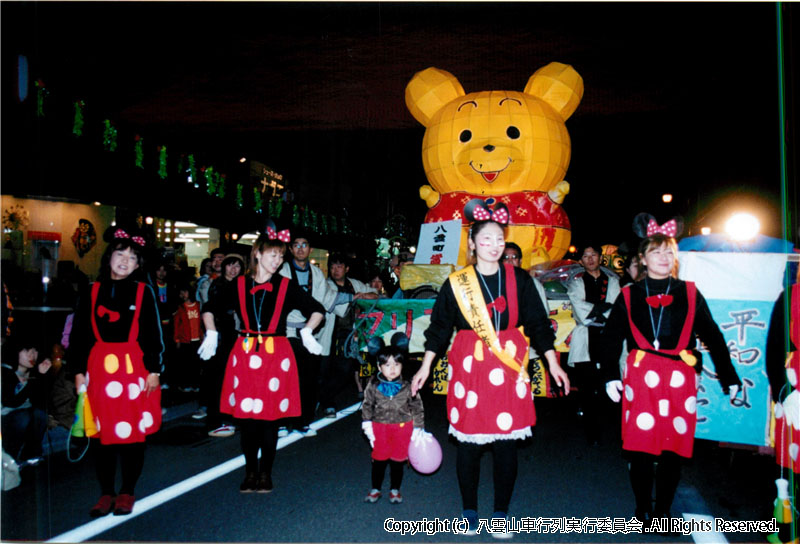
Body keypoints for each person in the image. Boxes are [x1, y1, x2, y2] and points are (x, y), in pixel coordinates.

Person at [411, 199, 569, 536]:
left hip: (509, 368)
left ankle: (501, 513)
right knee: (468, 443)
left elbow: (539, 324)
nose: (495, 246)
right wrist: (425, 366)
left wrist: (554, 364)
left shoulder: (521, 280)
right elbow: (439, 329)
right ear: (472, 243)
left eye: (500, 239)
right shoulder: (456, 283)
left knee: (505, 444)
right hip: (470, 368)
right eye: (487, 239)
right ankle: (469, 510)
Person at [600, 222, 741, 525]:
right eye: (656, 252)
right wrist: (610, 374)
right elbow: (611, 338)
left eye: (669, 252)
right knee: (639, 448)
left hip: (679, 376)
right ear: (643, 259)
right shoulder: (629, 295)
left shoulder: (689, 292)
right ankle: (641, 510)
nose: (663, 257)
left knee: (672, 449)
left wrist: (729, 376)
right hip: (642, 375)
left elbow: (713, 336)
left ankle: (663, 511)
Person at [197, 228, 325, 493]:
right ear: (257, 253)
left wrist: (306, 332)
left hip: (276, 356)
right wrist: (210, 333)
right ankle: (249, 471)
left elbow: (317, 309)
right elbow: (209, 307)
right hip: (244, 354)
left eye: (281, 256)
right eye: (273, 254)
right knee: (247, 419)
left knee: (269, 419)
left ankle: (265, 473)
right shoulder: (239, 284)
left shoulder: (286, 286)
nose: (277, 260)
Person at [68, 226, 164, 517]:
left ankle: (127, 491)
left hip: (134, 369)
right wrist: (78, 372)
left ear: (138, 265)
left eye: (132, 258)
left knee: (133, 433)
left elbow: (153, 333)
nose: (125, 260)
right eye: (120, 254)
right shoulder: (91, 291)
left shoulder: (143, 291)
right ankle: (106, 492)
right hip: (99, 370)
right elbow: (79, 336)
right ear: (109, 257)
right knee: (101, 433)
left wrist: (154, 369)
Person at [278, 230, 340, 437]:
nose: (300, 248)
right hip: (286, 328)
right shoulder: (282, 271)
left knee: (307, 378)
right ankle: (281, 421)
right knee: (285, 376)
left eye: (304, 245)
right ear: (290, 249)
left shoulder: (317, 273)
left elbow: (324, 300)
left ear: (310, 249)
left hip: (309, 329)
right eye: (296, 245)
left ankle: (302, 421)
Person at [565, 243, 620, 443]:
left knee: (608, 384)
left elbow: (616, 309)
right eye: (585, 255)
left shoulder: (613, 282)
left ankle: (609, 430)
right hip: (585, 340)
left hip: (608, 338)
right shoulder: (576, 283)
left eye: (593, 254)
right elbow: (579, 309)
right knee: (587, 388)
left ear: (600, 257)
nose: (590, 259)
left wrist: (595, 311)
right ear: (580, 261)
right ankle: (592, 432)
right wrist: (602, 308)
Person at [362, 341, 424, 504]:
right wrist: (367, 424)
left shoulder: (407, 385)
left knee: (398, 460)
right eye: (387, 364)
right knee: (379, 460)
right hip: (379, 427)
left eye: (397, 364)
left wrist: (418, 428)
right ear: (379, 366)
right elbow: (367, 404)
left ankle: (395, 489)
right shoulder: (373, 384)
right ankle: (376, 488)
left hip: (402, 428)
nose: (393, 368)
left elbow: (417, 407)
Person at [318, 253, 378, 417]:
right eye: (332, 267)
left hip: (349, 335)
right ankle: (324, 400)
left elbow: (375, 294)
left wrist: (363, 295)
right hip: (328, 333)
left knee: (346, 368)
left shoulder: (354, 284)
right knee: (324, 369)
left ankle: (326, 399)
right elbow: (333, 302)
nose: (335, 270)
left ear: (346, 269)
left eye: (339, 266)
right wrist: (353, 298)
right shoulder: (326, 285)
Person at [197, 254, 244, 435]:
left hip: (234, 337)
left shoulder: (241, 285)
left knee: (232, 378)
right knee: (218, 379)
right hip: (219, 337)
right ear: (223, 267)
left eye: (237, 266)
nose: (233, 269)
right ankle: (215, 420)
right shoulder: (217, 285)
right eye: (230, 265)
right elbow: (210, 308)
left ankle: (228, 416)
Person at [1, 341, 50, 466]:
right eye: (26, 350)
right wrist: (33, 381)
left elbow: (40, 402)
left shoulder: (34, 373)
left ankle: (30, 455)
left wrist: (43, 377)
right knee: (22, 416)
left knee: (40, 414)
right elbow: (11, 402)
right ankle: (10, 458)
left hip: (23, 416)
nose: (31, 355)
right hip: (5, 417)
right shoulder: (5, 372)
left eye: (34, 351)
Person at [173, 283, 203, 393]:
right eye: (181, 293)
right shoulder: (180, 308)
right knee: (186, 365)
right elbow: (176, 325)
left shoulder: (198, 305)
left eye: (184, 292)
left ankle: (195, 384)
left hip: (197, 340)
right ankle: (185, 384)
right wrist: (177, 339)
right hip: (185, 340)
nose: (183, 295)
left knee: (196, 364)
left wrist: (202, 336)